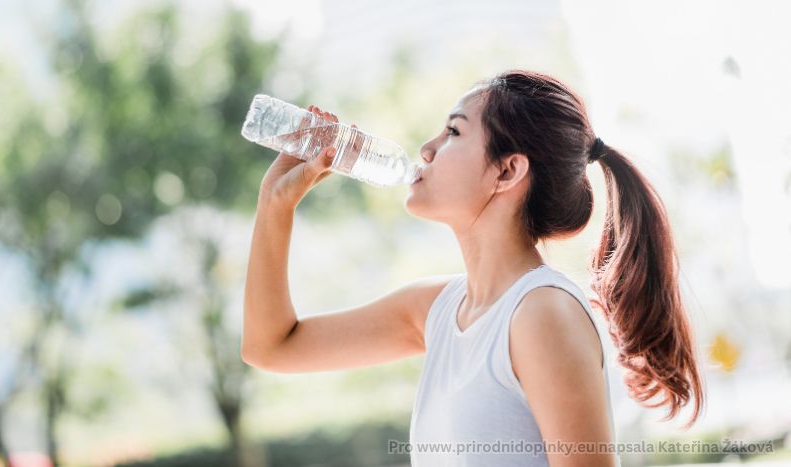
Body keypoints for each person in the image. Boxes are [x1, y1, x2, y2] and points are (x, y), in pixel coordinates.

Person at [242, 69, 705, 466]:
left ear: (507, 171)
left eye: (454, 132)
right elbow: (271, 347)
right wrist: (275, 204)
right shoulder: (436, 310)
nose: (426, 149)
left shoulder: (542, 314)